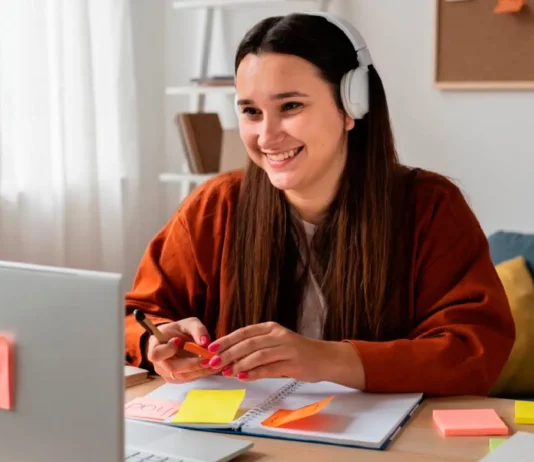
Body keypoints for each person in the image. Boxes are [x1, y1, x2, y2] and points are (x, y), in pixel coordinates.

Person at [124, 12, 515, 396]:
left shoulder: (430, 207)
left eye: (291, 106)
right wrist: (152, 342)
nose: (266, 136)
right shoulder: (215, 206)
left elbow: (474, 348)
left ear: (351, 106)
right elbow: (133, 315)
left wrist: (327, 359)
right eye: (251, 112)